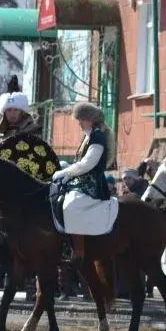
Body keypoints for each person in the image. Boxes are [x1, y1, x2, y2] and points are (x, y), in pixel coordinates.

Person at [51, 102, 117, 263]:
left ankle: (79, 249)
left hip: (92, 182)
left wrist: (66, 172)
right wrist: (67, 171)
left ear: (89, 119)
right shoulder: (88, 136)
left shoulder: (97, 137)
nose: (79, 123)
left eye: (81, 120)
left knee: (71, 205)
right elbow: (78, 162)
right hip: (80, 178)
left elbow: (89, 163)